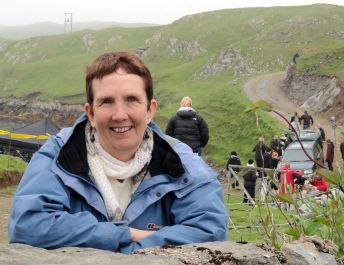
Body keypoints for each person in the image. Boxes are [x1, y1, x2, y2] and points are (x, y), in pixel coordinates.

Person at [8, 51, 227, 254]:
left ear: (150, 110)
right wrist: (125, 234)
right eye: (107, 102)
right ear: (91, 112)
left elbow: (210, 232)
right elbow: (27, 225)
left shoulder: (183, 163)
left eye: (132, 100)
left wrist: (123, 253)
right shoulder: (58, 154)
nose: (120, 115)